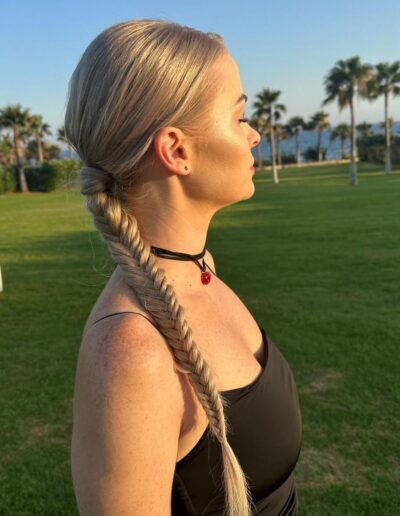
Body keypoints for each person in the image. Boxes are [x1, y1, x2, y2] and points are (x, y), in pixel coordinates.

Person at [65, 19, 302, 516]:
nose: (254, 134)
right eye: (238, 117)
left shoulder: (200, 271)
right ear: (176, 150)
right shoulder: (133, 354)